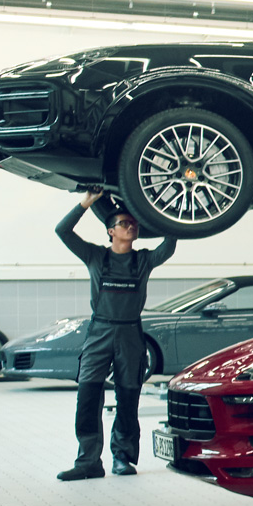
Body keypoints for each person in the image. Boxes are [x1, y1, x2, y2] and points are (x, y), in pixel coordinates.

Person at [56, 192, 177, 480]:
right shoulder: (95, 256)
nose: (130, 227)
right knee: (87, 396)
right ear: (111, 231)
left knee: (127, 397)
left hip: (130, 334)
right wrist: (87, 202)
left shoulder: (144, 260)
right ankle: (88, 461)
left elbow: (170, 243)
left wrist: (154, 210)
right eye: (124, 223)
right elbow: (62, 230)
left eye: (133, 224)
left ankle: (122, 458)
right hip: (99, 331)